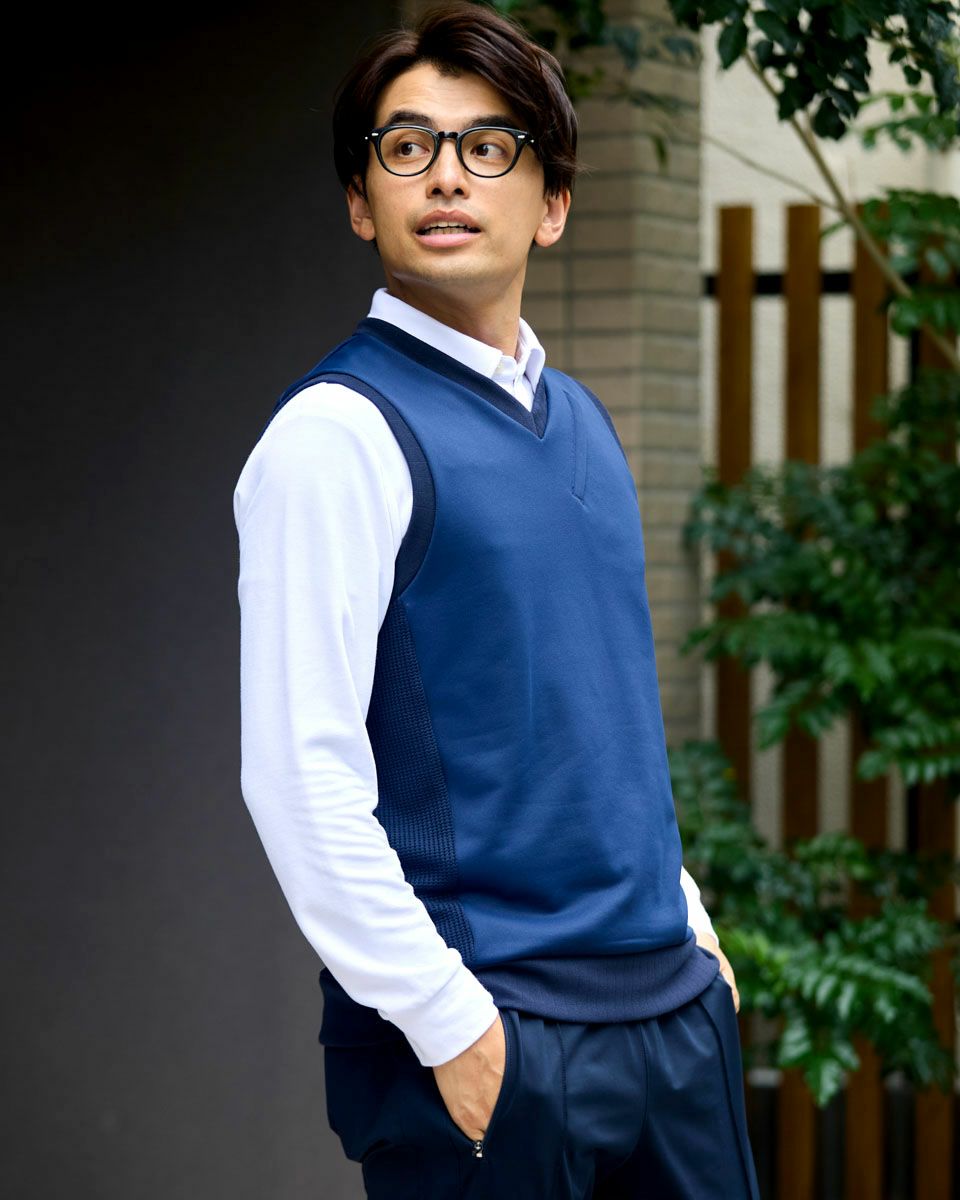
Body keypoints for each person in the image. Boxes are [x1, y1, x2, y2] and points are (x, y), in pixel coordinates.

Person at [233, 4, 760, 1197]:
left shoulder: (583, 421)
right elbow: (299, 776)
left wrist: (693, 929)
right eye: (406, 146)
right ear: (361, 200)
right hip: (499, 1035)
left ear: (552, 202)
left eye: (488, 147)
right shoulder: (335, 437)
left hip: (672, 1018)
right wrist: (454, 1029)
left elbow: (601, 723)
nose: (446, 177)